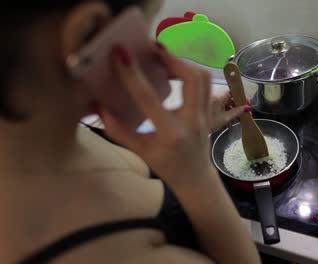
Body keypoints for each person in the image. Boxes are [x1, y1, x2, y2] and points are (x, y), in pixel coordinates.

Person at [0, 1, 261, 263]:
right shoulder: (110, 253)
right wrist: (196, 174)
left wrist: (183, 144)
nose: (149, 48)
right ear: (89, 34)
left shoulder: (57, 135)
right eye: (145, 27)